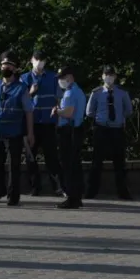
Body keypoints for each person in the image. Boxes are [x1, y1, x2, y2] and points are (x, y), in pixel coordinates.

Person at [0, 51, 35, 206]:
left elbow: (28, 112)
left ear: (15, 69)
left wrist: (30, 133)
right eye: (3, 65)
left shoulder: (21, 88)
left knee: (13, 166)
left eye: (9, 65)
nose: (5, 67)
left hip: (14, 132)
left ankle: (13, 196)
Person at [85, 65, 133, 200]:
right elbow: (89, 112)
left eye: (111, 75)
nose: (109, 77)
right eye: (107, 74)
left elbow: (129, 110)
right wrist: (101, 118)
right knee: (96, 162)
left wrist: (119, 118)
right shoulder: (97, 92)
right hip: (101, 129)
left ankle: (123, 192)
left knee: (119, 163)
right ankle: (91, 191)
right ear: (102, 76)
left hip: (117, 129)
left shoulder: (122, 93)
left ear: (115, 77)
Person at [20, 50, 63, 196]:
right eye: (37, 59)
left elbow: (59, 98)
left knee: (51, 156)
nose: (39, 62)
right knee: (30, 157)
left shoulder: (53, 77)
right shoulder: (24, 78)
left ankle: (58, 187)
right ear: (31, 60)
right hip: (31, 124)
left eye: (42, 59)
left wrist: (58, 110)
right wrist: (30, 92)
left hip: (48, 122)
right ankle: (35, 187)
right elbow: (19, 100)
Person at [53, 66, 86, 209]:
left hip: (69, 131)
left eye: (62, 78)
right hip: (75, 130)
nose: (60, 81)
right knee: (74, 165)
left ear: (70, 77)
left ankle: (72, 197)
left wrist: (57, 111)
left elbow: (69, 113)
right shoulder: (77, 91)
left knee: (69, 165)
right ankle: (76, 196)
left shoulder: (70, 93)